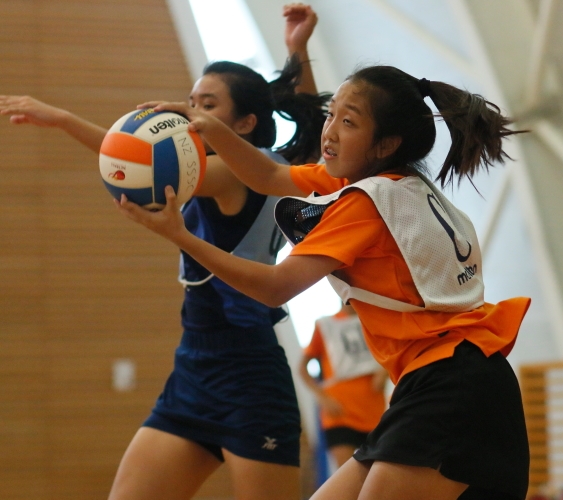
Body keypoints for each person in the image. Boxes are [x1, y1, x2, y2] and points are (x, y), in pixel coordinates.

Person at [116, 65, 532, 500]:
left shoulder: (364, 204)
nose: (329, 130)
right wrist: (211, 128)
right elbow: (267, 177)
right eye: (331, 114)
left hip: (453, 386)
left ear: (386, 144)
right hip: (449, 381)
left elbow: (277, 287)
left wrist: (180, 236)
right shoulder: (392, 184)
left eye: (348, 121)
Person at [0, 5, 329, 500]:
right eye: (190, 99)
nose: (189, 113)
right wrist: (297, 50)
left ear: (243, 125)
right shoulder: (279, 165)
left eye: (207, 105)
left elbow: (137, 162)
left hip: (250, 376)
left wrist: (64, 119)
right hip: (194, 365)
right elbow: (307, 124)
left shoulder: (236, 173)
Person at [299, 304, 388, 469]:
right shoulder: (326, 325)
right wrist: (322, 398)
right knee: (347, 477)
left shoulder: (375, 322)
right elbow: (302, 368)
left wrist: (384, 371)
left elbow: (391, 352)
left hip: (373, 411)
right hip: (339, 412)